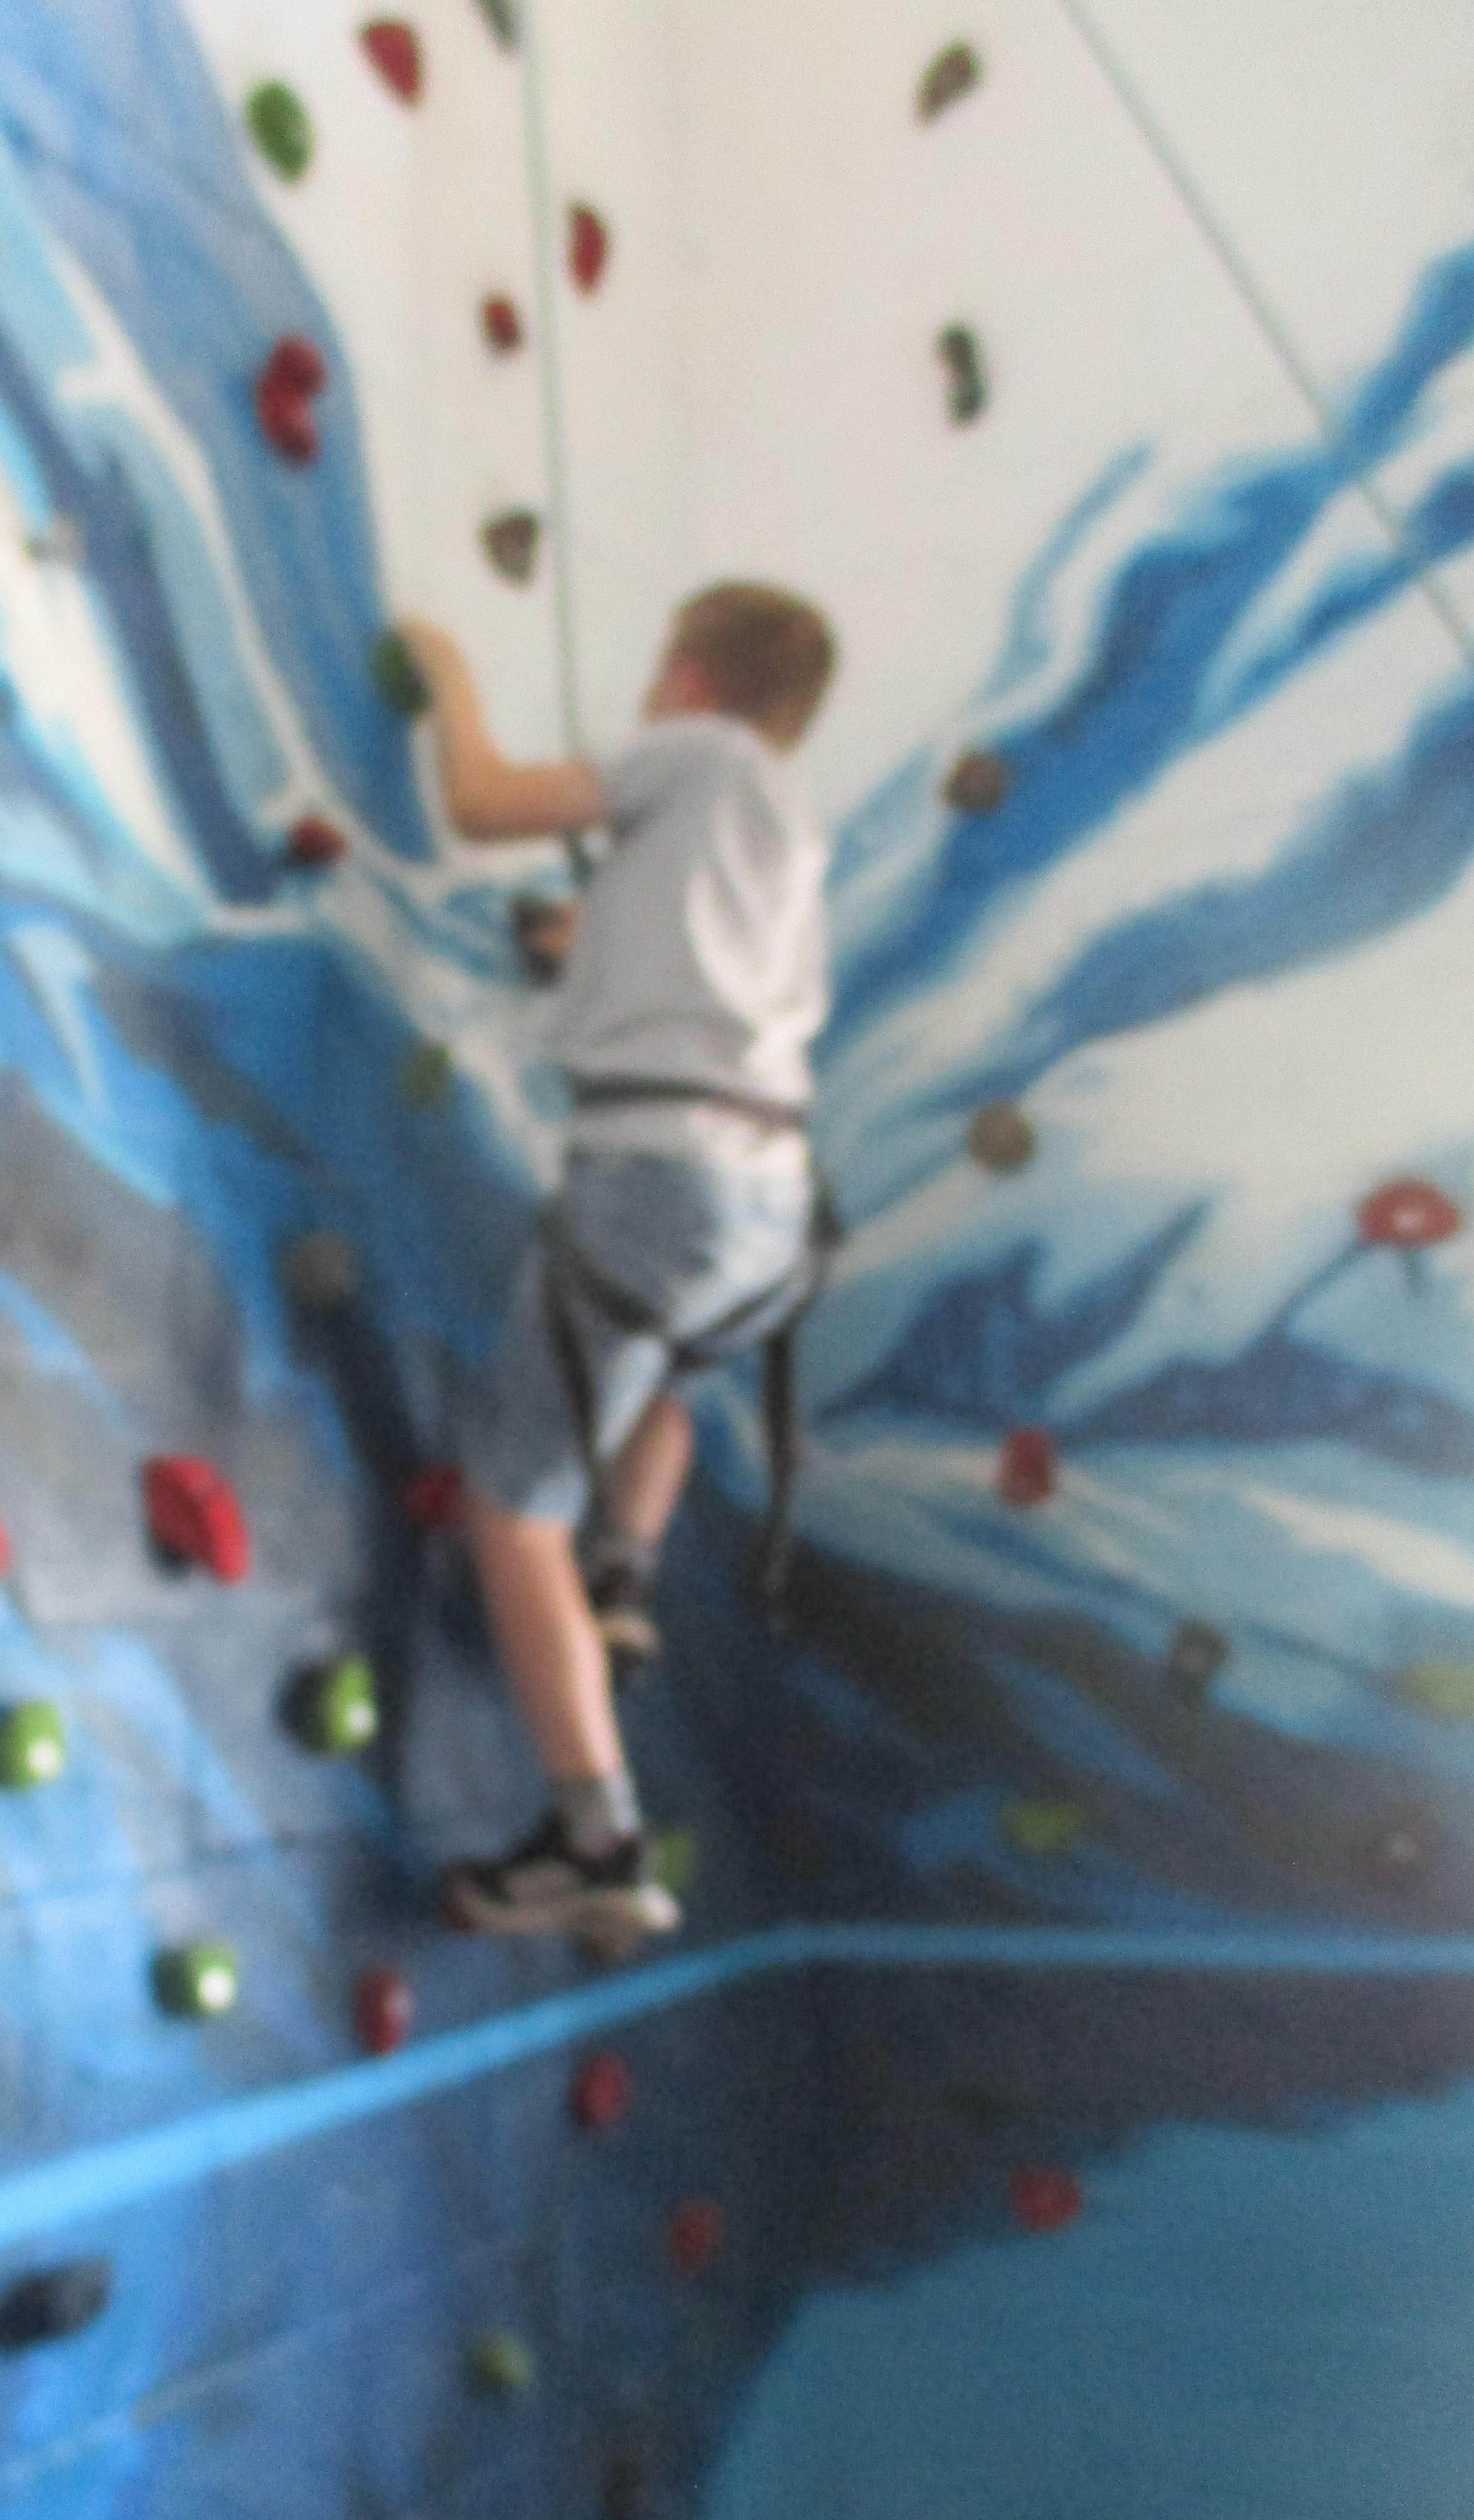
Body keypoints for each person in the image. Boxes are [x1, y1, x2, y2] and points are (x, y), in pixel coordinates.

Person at [396, 584, 836, 1944]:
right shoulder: (782, 817)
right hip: (772, 1203)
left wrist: (446, 667)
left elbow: (483, 801)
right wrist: (585, 945)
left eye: (658, 668)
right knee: (660, 1376)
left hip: (660, 1177)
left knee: (512, 1511)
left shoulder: (694, 749)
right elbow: (700, 959)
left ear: (692, 676)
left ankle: (595, 1836)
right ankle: (625, 1581)